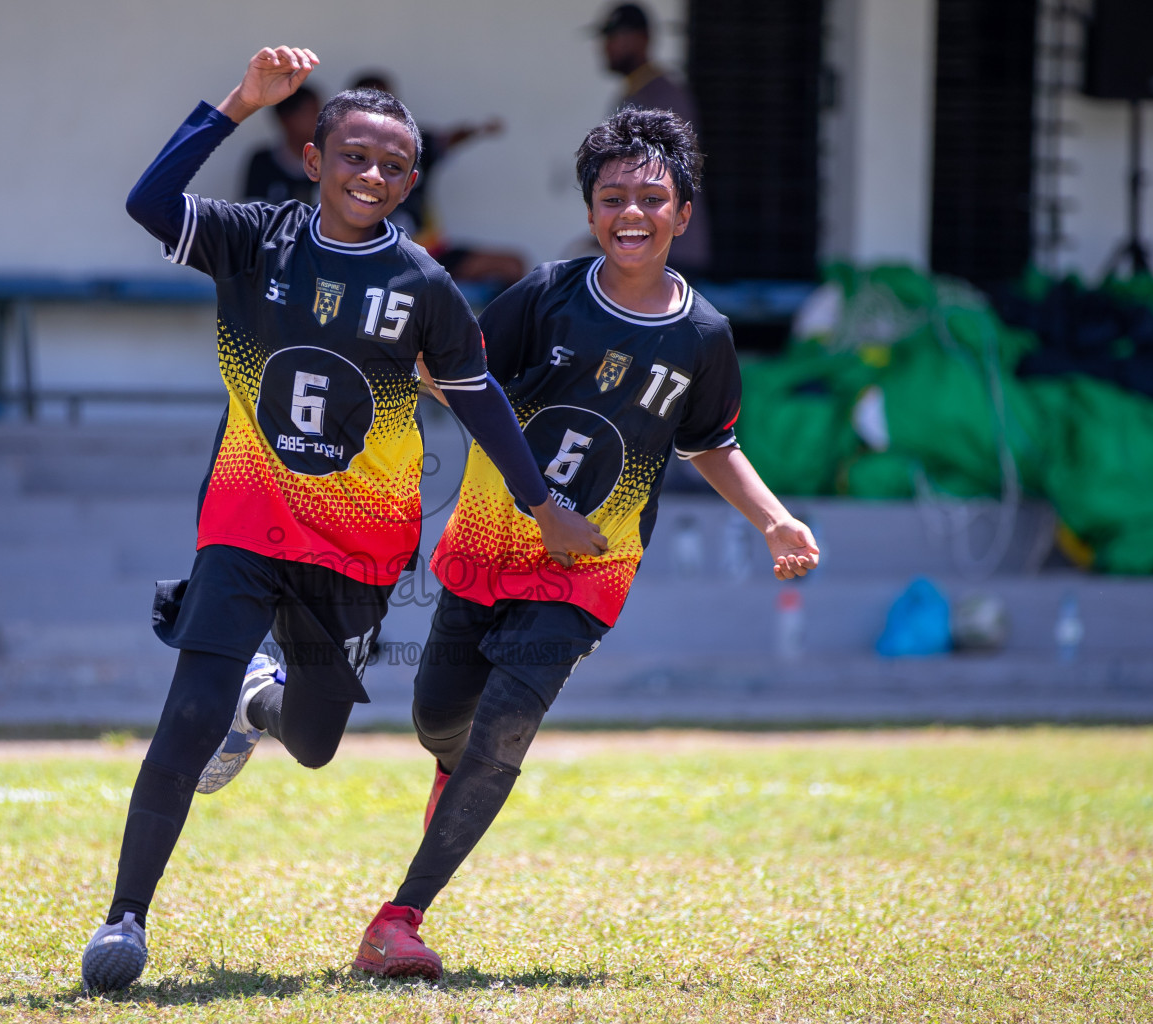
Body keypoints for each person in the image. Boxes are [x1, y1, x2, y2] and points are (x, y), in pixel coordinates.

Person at [78, 45, 607, 995]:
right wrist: (239, 102)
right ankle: (125, 917)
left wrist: (545, 507)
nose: (373, 175)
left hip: (361, 543)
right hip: (246, 516)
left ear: (411, 181)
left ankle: (263, 698)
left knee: (316, 741)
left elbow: (481, 398)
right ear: (313, 158)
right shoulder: (254, 237)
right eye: (354, 155)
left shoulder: (425, 287)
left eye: (394, 165)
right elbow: (149, 206)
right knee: (186, 714)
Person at [347, 108, 821, 979]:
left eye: (652, 197)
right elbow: (451, 373)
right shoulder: (546, 295)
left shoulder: (705, 337)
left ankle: (398, 919)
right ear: (591, 208)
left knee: (504, 734)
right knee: (439, 721)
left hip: (589, 568)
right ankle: (455, 782)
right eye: (613, 198)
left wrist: (773, 519)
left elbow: (711, 444)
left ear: (684, 212)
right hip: (489, 545)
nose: (631, 214)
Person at [348, 71, 525, 288]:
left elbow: (448, 139)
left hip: (430, 254)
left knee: (512, 265)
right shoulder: (342, 152)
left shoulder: (414, 143)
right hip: (377, 261)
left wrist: (479, 129)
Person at [594, 1, 710, 274]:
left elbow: (663, 177)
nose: (606, 47)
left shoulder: (662, 94)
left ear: (642, 39)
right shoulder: (636, 90)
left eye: (615, 37)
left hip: (668, 248)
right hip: (643, 244)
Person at [240, 85, 320, 205]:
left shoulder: (329, 163)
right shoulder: (262, 162)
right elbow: (251, 215)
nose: (318, 121)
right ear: (285, 118)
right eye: (310, 112)